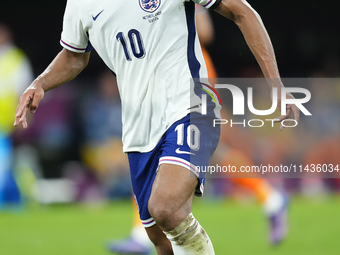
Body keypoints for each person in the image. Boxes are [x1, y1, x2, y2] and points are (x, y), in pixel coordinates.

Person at [14, 0, 299, 254]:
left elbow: (241, 11)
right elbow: (75, 56)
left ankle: (269, 196)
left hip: (189, 103)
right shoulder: (80, 4)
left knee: (165, 207)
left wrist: (276, 86)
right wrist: (40, 82)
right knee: (161, 241)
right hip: (139, 128)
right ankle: (270, 196)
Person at [0, 23, 34, 208]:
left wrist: (25, 117)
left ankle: (24, 199)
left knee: (13, 164)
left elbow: (25, 90)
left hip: (9, 123)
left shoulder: (15, 59)